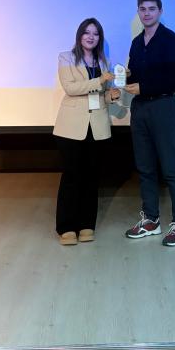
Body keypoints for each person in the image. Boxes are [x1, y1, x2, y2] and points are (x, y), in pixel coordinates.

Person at [123, 0, 175, 247]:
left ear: (160, 11)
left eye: (151, 9)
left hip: (163, 106)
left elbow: (172, 79)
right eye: (143, 9)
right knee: (145, 167)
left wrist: (143, 86)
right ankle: (151, 220)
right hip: (140, 108)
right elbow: (134, 77)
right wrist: (123, 78)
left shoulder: (171, 40)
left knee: (171, 168)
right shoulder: (136, 42)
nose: (147, 13)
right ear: (138, 12)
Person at [53, 18, 121, 246]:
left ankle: (86, 225)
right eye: (87, 32)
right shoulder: (66, 57)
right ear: (79, 35)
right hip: (71, 128)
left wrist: (111, 95)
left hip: (97, 126)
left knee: (91, 178)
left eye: (95, 33)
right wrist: (100, 80)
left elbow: (103, 93)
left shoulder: (104, 61)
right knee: (71, 177)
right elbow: (71, 88)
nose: (91, 37)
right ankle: (66, 227)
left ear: (99, 38)